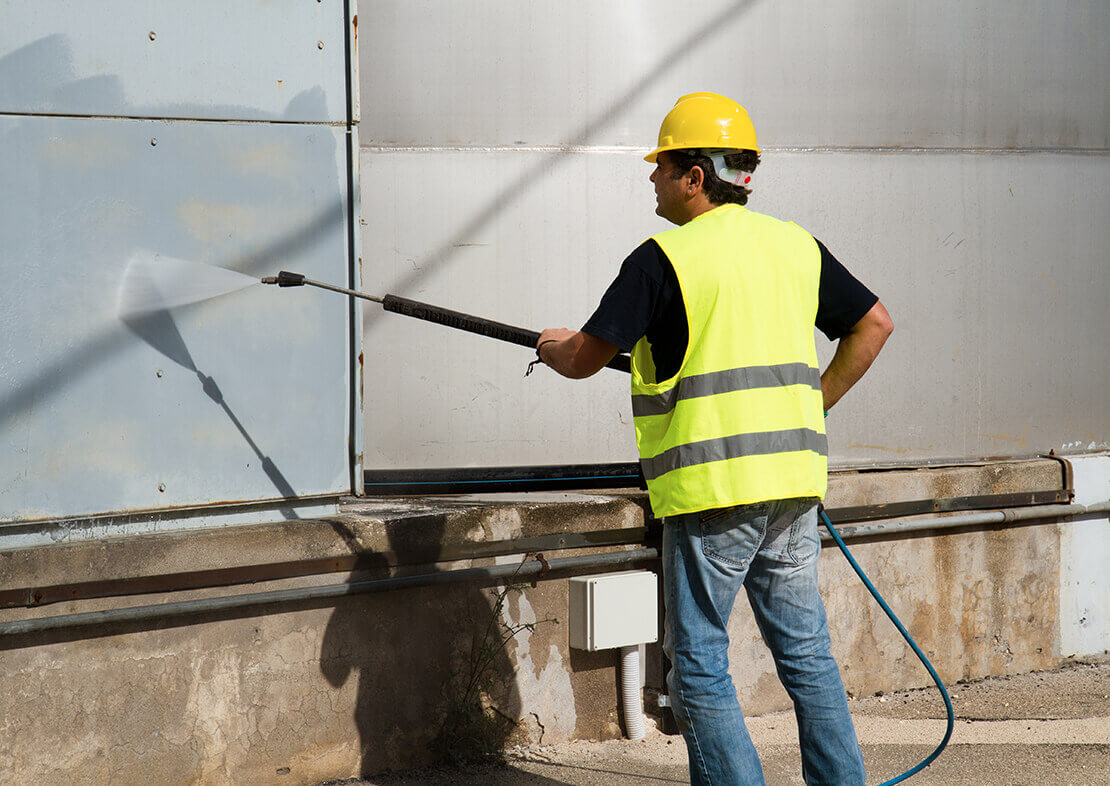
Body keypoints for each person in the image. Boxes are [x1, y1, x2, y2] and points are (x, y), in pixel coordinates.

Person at [534, 92, 893, 785]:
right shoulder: (796, 246)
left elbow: (583, 359)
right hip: (792, 483)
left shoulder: (662, 258)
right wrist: (813, 405)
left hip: (714, 488)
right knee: (807, 654)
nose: (652, 179)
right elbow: (873, 322)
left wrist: (553, 348)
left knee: (699, 660)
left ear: (695, 177)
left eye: (661, 166)